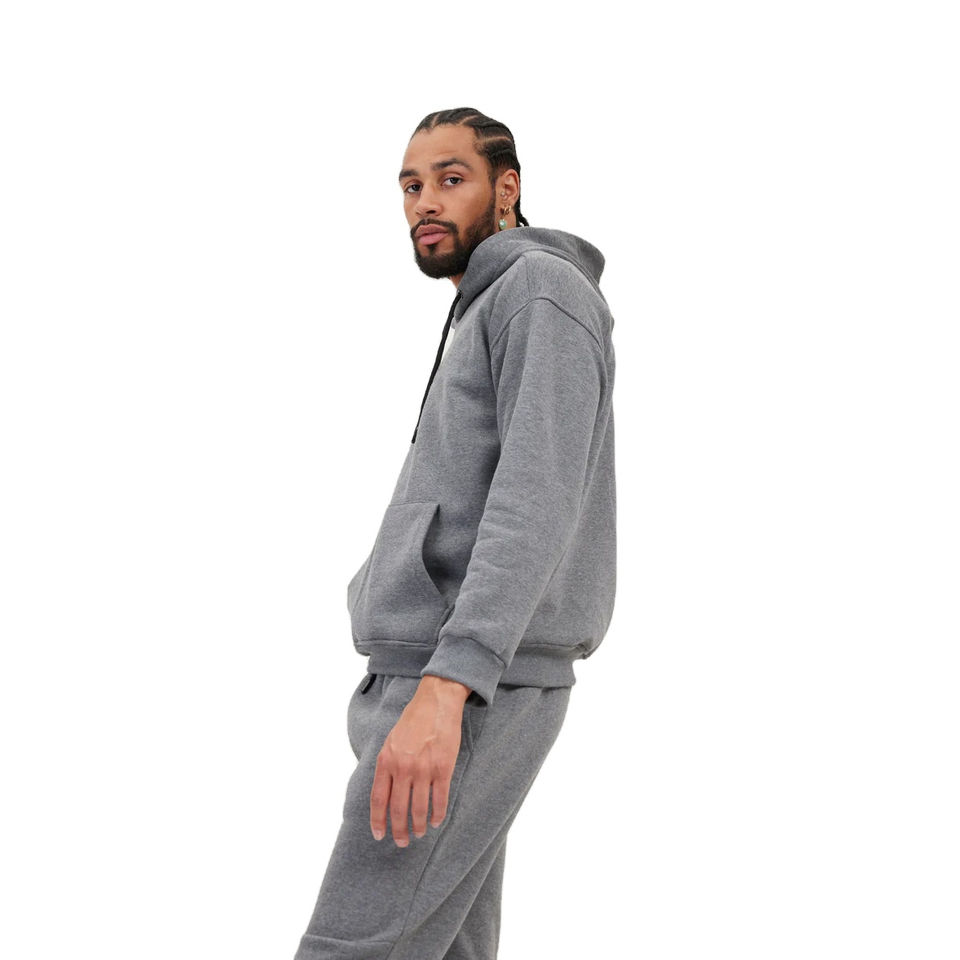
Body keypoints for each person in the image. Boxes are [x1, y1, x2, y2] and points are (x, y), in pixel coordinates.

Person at [293, 107, 617, 960]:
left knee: (353, 946)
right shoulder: (485, 306)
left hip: (464, 682)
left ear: (507, 189)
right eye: (410, 184)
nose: (425, 202)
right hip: (438, 670)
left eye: (451, 178)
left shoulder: (539, 295)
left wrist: (450, 686)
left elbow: (536, 500)